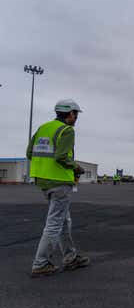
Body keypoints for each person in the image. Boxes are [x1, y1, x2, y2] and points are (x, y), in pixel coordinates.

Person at [27, 99, 90, 277]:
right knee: (54, 224)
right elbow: (62, 157)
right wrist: (77, 168)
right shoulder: (67, 130)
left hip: (44, 182)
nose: (76, 118)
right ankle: (40, 263)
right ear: (70, 114)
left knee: (63, 221)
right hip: (60, 183)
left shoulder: (43, 128)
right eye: (76, 114)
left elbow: (29, 153)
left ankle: (70, 257)